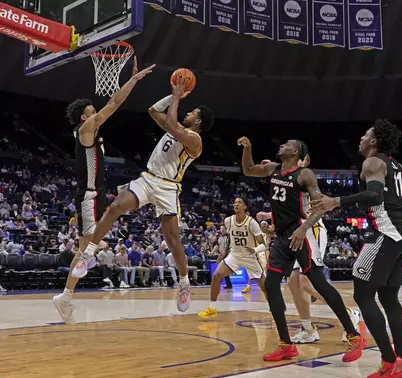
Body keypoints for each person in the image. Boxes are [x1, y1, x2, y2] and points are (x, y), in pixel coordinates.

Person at [69, 75, 214, 312]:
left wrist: (177, 99)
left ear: (199, 121)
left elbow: (170, 123)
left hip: (168, 187)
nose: (189, 113)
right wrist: (172, 96)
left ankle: (185, 284)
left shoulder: (194, 140)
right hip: (148, 179)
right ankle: (88, 255)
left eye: (193, 112)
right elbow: (153, 111)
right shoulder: (176, 128)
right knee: (115, 207)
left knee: (173, 240)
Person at [310, 119, 402, 378]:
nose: (360, 138)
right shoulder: (398, 166)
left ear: (374, 141)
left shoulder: (372, 163)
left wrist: (336, 202)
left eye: (365, 134)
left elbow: (373, 196)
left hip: (386, 233)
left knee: (362, 293)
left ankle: (390, 362)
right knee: (389, 297)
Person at [238, 137, 364, 362]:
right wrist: (248, 148)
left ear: (295, 152)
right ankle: (286, 344)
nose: (282, 145)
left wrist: (304, 228)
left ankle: (354, 335)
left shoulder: (304, 175)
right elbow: (248, 170)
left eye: (287, 144)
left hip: (301, 233)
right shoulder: (273, 169)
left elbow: (319, 207)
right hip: (282, 236)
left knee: (317, 283)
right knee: (271, 284)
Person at [52, 58, 155, 324]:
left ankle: (68, 293)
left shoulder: (93, 132)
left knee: (98, 241)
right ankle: (65, 297)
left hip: (100, 194)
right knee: (85, 250)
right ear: (85, 117)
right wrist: (132, 80)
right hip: (88, 196)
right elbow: (113, 104)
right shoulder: (85, 129)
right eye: (92, 109)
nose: (97, 111)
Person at [256, 157, 360, 345]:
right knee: (294, 282)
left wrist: (269, 216)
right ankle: (308, 328)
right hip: (292, 232)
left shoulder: (304, 178)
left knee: (306, 280)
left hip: (312, 229)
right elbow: (290, 211)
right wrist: (272, 225)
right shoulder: (287, 179)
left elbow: (309, 208)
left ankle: (349, 314)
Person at [199, 197, 267, 318]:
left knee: (266, 287)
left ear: (245, 207)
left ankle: (275, 308)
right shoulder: (228, 221)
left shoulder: (252, 223)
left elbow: (263, 245)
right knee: (216, 276)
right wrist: (224, 252)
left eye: (239, 202)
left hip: (250, 257)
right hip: (234, 255)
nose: (236, 204)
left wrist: (255, 250)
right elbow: (231, 237)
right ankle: (212, 308)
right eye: (234, 202)